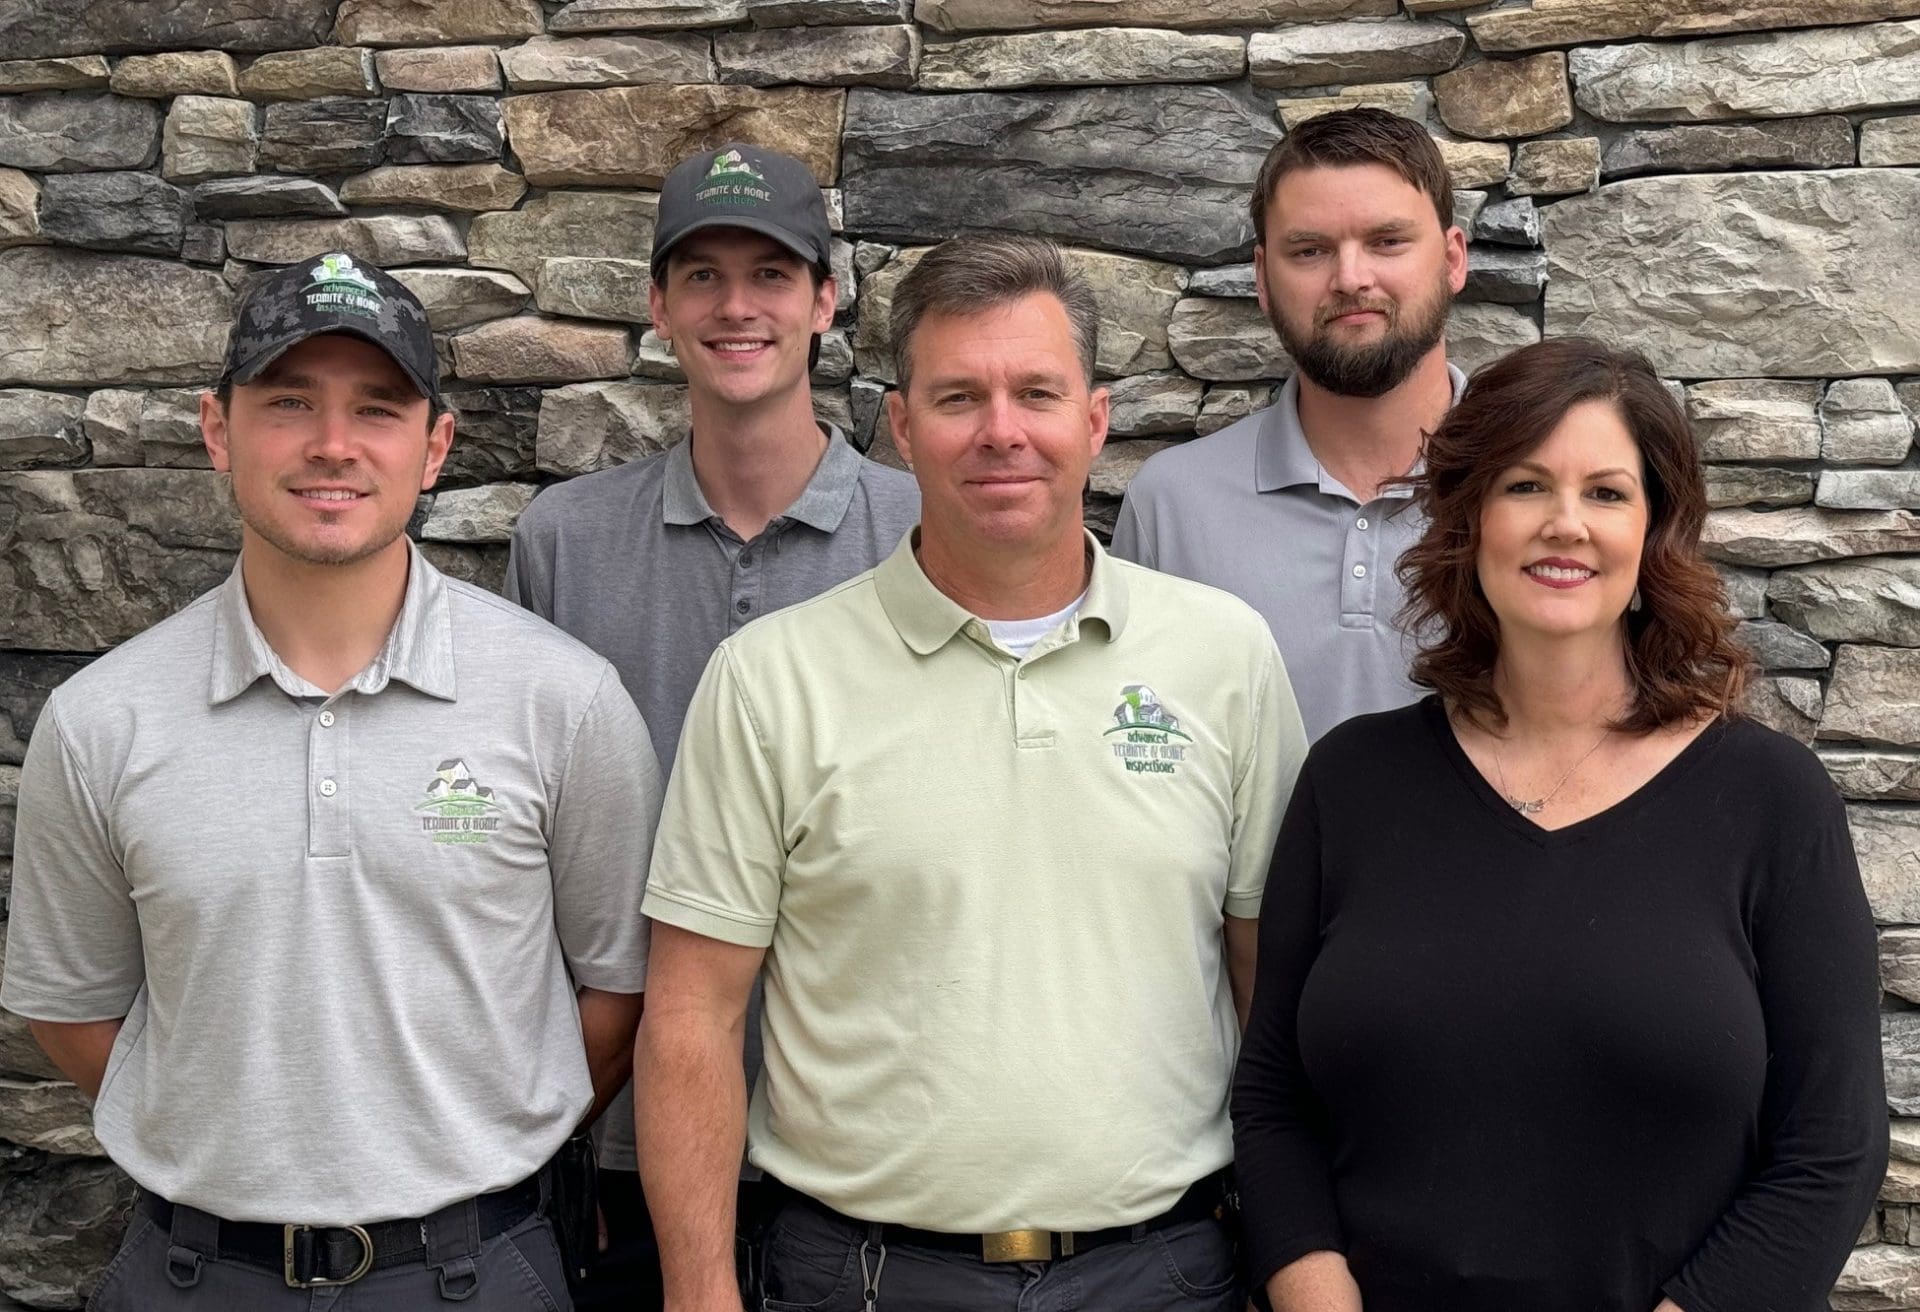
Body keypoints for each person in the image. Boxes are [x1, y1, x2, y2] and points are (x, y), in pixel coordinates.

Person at [634, 234, 1308, 1311]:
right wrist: (700, 1291)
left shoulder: (1224, 656)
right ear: (902, 427)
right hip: (861, 1276)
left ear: (1095, 418)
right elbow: (690, 1018)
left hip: (1163, 1272)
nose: (1003, 432)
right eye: (959, 398)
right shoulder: (769, 681)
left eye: (1036, 392)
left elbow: (1269, 988)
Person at [0, 253, 660, 1309]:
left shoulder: (561, 700)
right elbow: (73, 1012)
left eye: (379, 409)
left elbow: (620, 991)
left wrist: (473, 1136)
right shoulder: (102, 721)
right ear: (219, 429)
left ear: (434, 447)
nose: (333, 446)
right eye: (290, 402)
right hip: (196, 1276)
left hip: (475, 1271)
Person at [1231, 337, 1886, 1312]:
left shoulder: (1769, 799)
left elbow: (1832, 1148)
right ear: (1469, 517)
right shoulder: (1351, 782)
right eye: (1527, 486)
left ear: (1656, 527)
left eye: (1608, 492)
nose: (1566, 525)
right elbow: (1273, 1097)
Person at [506, 141, 919, 1309]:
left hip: (867, 1148)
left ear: (826, 301)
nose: (738, 306)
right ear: (658, 305)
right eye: (702, 274)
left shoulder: (924, 533)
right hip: (626, 1143)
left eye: (772, 274)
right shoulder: (564, 540)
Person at [1111, 108, 1470, 741]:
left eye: (1387, 242)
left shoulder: (1536, 488)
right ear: (1263, 280)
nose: (1351, 278)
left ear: (1453, 260)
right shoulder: (1172, 504)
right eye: (1310, 251)